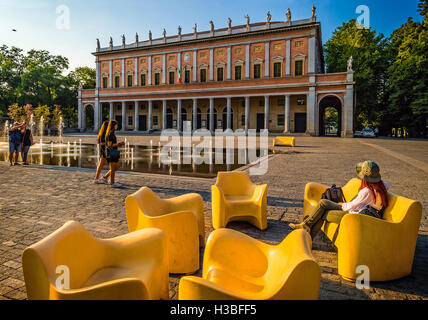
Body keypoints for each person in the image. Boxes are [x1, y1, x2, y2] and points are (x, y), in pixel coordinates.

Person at [290, 160, 389, 239]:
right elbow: (386, 185)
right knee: (323, 204)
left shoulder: (366, 192)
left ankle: (308, 233)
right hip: (360, 213)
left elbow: (351, 206)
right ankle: (306, 227)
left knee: (323, 212)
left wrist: (342, 204)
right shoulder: (382, 186)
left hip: (354, 216)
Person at [102, 120, 124, 188]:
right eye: (116, 125)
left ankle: (105, 177)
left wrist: (118, 144)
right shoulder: (110, 134)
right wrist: (119, 144)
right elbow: (109, 145)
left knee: (117, 166)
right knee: (113, 167)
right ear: (113, 126)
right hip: (111, 153)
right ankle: (112, 183)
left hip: (113, 152)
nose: (117, 126)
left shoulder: (112, 133)